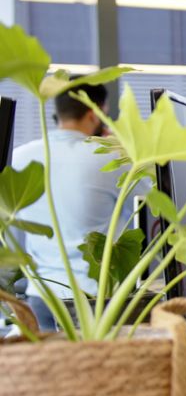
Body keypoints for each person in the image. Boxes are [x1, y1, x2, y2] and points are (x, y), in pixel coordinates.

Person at [12, 82, 126, 331]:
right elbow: (156, 203)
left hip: (40, 295)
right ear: (94, 114)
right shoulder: (112, 157)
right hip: (93, 298)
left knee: (51, 368)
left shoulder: (19, 156)